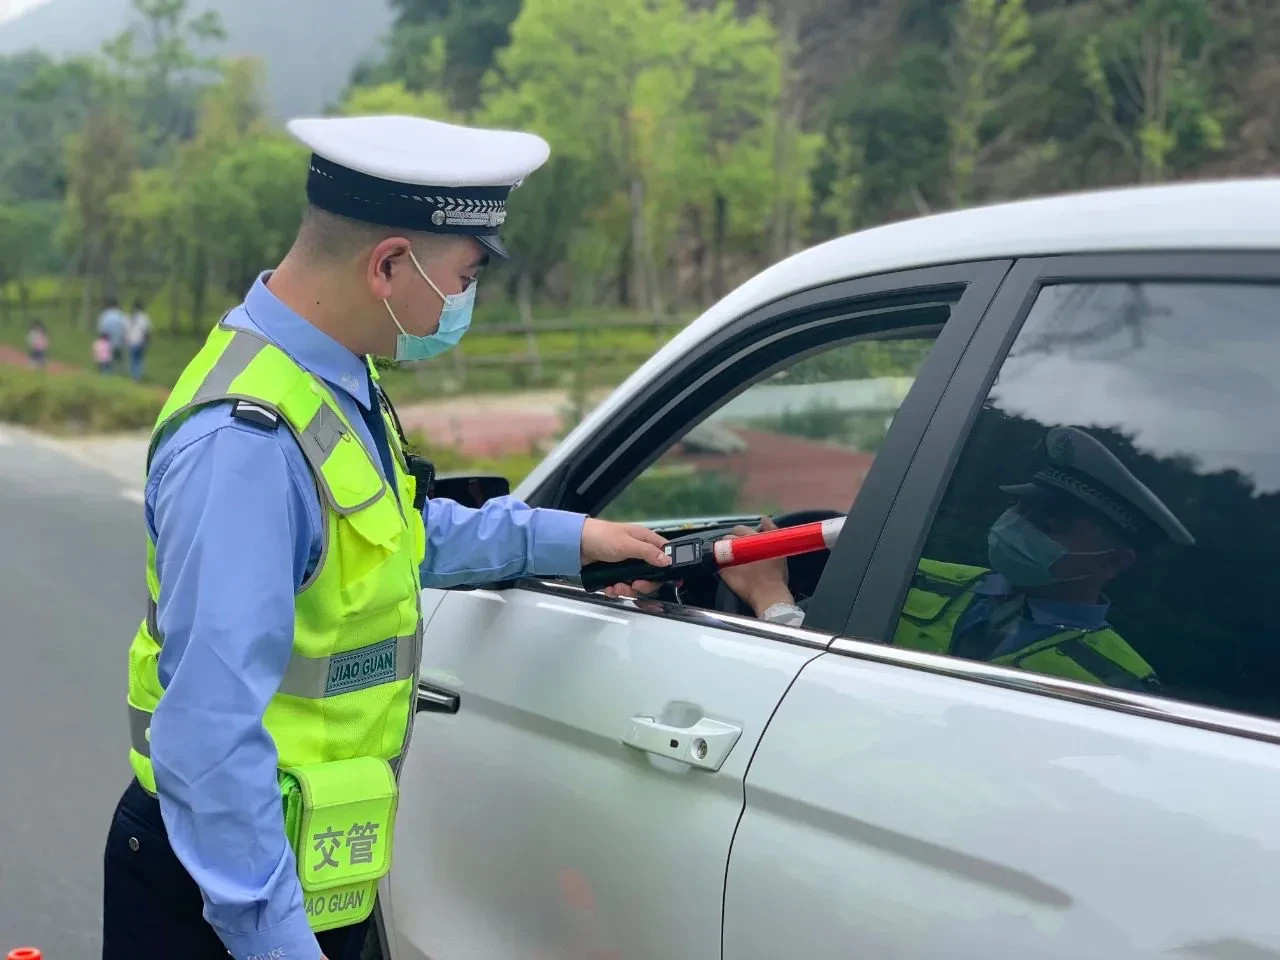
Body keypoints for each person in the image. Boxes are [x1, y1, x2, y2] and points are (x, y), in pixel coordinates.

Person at [101, 114, 670, 960]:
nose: (467, 301)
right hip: (226, 893)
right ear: (391, 266)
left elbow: (389, 531)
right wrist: (277, 940)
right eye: (467, 275)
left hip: (302, 871)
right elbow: (207, 735)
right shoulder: (244, 443)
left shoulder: (333, 375)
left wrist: (570, 539)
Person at [714, 426, 1195, 690]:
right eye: (1020, 508)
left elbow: (827, 700)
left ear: (1113, 562)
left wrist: (770, 598)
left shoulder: (1119, 683)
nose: (1019, 526)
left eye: (1050, 526)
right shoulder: (912, 575)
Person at [96, 295, 127, 372]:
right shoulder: (121, 315)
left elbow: (101, 330)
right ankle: (119, 372)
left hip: (107, 341)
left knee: (106, 359)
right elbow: (125, 328)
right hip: (119, 341)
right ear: (117, 305)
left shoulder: (105, 315)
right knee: (118, 359)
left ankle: (106, 372)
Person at [125, 298, 151, 381]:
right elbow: (147, 330)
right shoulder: (144, 317)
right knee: (139, 360)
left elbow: (126, 330)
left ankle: (134, 377)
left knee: (133, 360)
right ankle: (138, 377)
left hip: (131, 342)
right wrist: (147, 341)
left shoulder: (130, 317)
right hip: (140, 342)